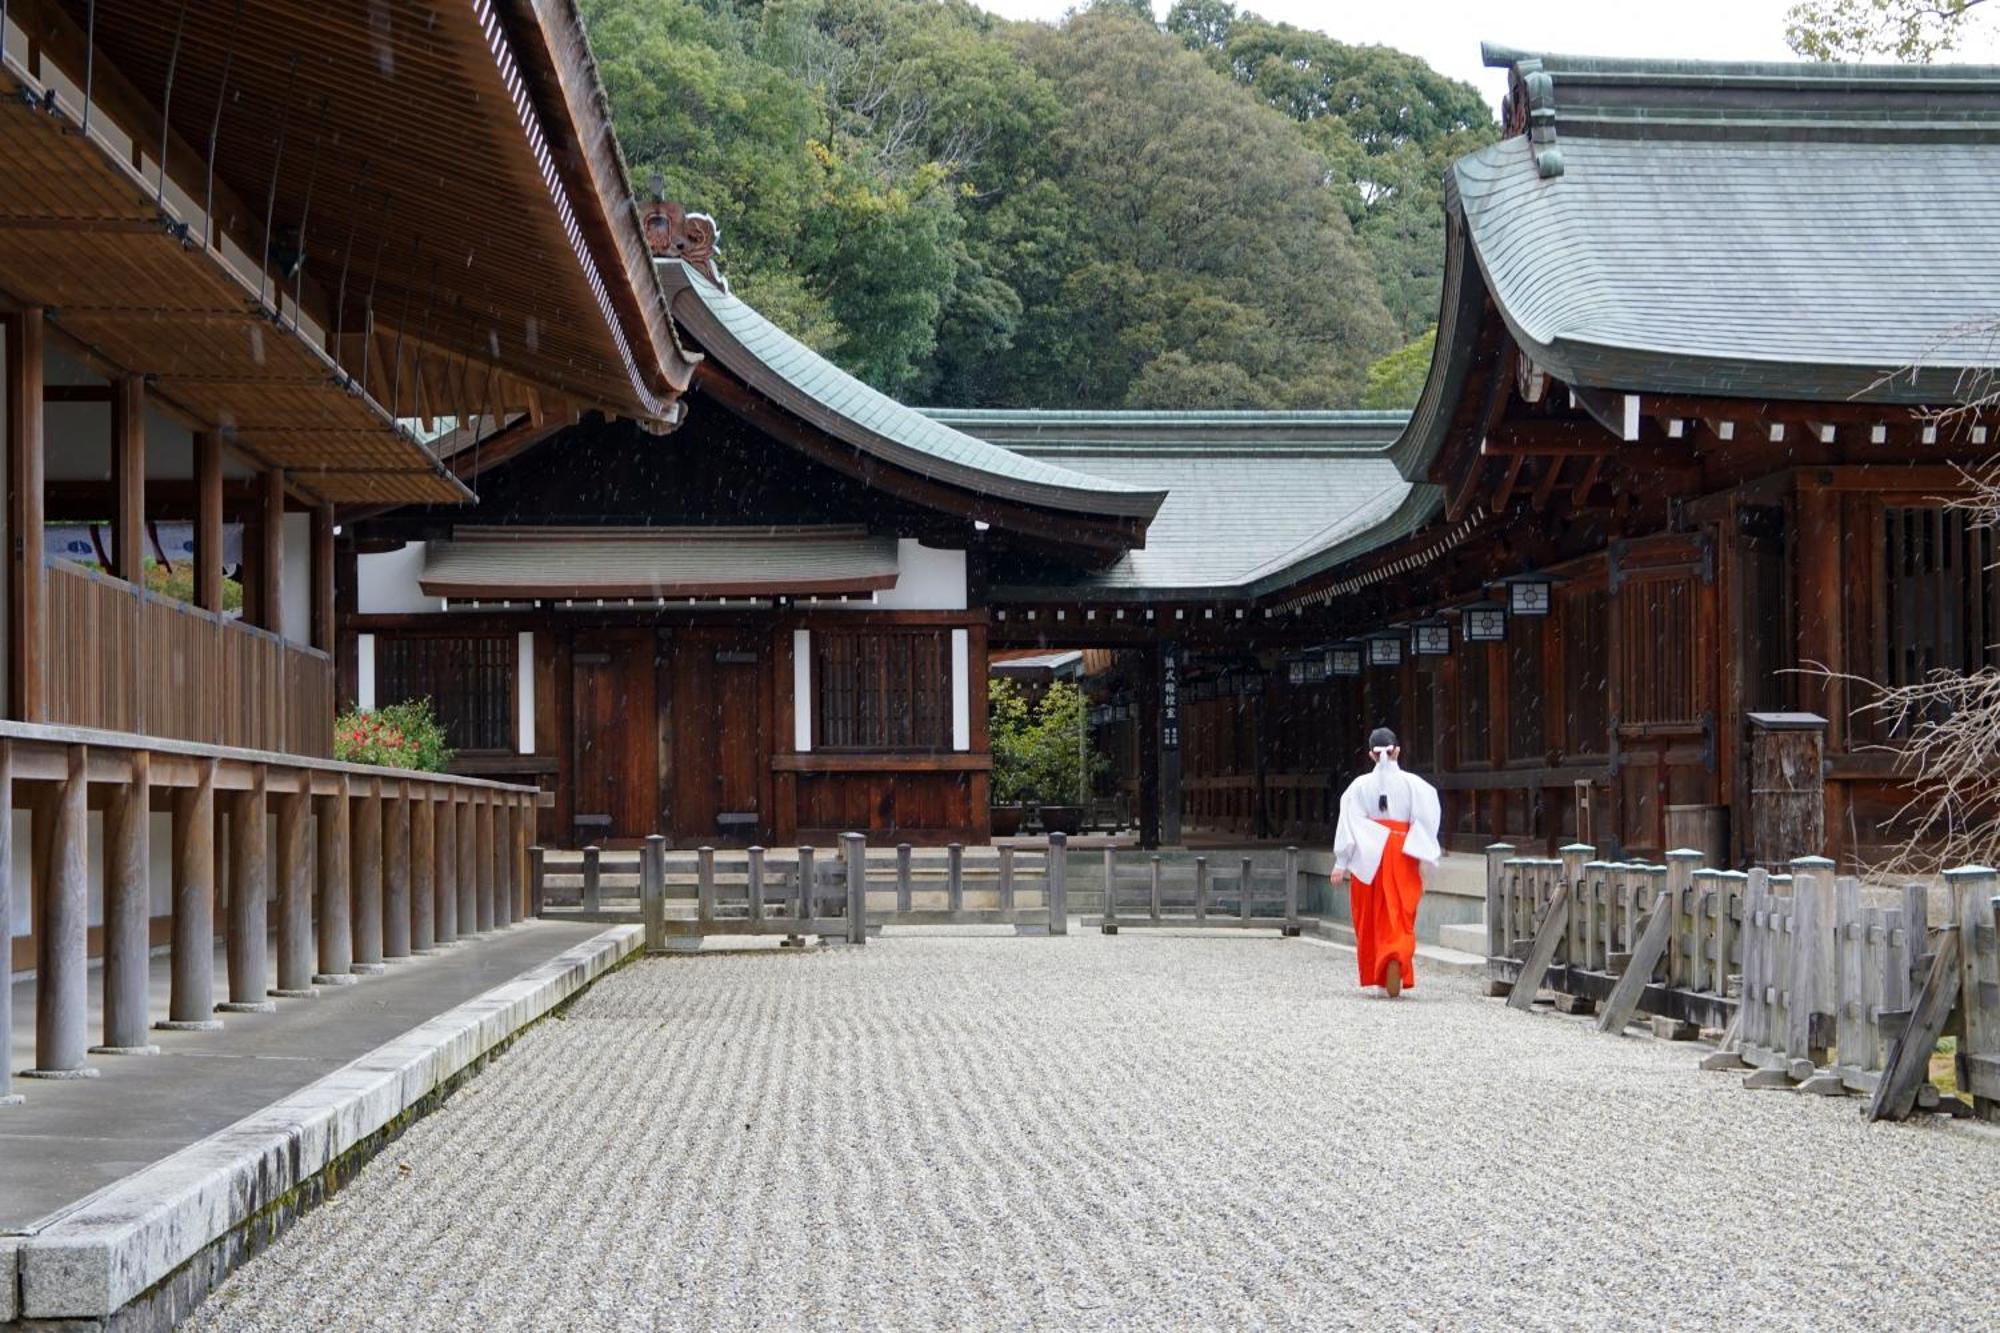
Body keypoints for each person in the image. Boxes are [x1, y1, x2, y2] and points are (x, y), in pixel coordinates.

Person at [1330, 728, 1441, 997]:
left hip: (1369, 853)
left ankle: (1379, 976)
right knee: (1400, 913)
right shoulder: (1415, 785)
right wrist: (1424, 861)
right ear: (1397, 751)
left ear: (1370, 754)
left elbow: (1349, 823)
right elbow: (1426, 823)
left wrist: (1341, 862)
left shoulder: (1358, 786)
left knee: (1370, 914)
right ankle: (1396, 955)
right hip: (1401, 851)